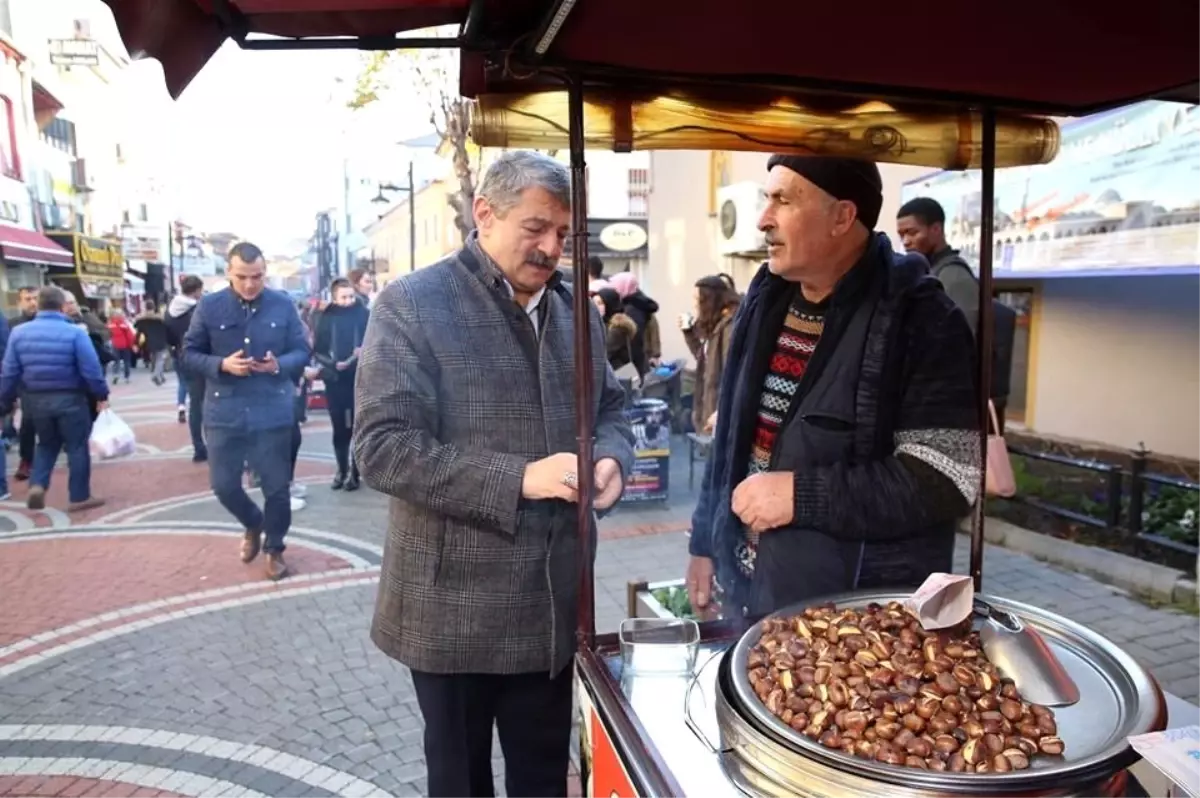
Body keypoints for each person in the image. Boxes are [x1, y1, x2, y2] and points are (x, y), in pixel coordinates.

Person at [355, 149, 634, 798]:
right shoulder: (413, 305)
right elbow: (382, 447)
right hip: (452, 606)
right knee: (459, 781)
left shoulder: (576, 310)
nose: (551, 248)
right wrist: (519, 479)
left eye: (563, 234)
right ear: (484, 213)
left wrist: (613, 456)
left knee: (543, 775)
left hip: (553, 598)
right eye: (536, 228)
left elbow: (612, 407)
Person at [686, 155, 980, 618]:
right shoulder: (763, 300)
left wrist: (802, 497)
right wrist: (704, 541)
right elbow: (730, 441)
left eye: (782, 200)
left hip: (853, 623)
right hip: (750, 593)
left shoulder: (921, 316)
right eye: (767, 199)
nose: (764, 220)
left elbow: (948, 476)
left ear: (842, 216)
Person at [183, 242, 310, 581]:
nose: (251, 284)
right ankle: (253, 523)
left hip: (273, 411)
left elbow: (302, 351)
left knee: (277, 488)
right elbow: (189, 353)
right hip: (225, 411)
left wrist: (277, 365)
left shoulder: (282, 304)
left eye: (257, 277)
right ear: (229, 273)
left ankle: (275, 549)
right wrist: (221, 364)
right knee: (223, 485)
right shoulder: (209, 307)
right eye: (242, 277)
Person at [896, 197, 1018, 432]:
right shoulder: (931, 273)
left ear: (936, 229)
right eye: (902, 235)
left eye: (912, 232)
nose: (906, 241)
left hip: (950, 407)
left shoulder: (953, 277)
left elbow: (959, 347)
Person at [0, 286, 109, 512]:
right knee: (77, 446)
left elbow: (10, 371)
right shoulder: (76, 333)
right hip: (70, 398)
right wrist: (101, 393)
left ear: (38, 305)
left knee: (46, 444)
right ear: (62, 307)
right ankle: (79, 496)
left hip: (35, 400)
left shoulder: (19, 333)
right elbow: (91, 369)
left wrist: (6, 398)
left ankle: (38, 484)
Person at [313, 277, 369, 490]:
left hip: (359, 377)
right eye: (343, 297)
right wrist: (333, 363)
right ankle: (341, 469)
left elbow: (376, 340)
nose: (348, 301)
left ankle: (355, 472)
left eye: (351, 296)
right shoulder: (325, 317)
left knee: (357, 425)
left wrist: (363, 351)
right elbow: (318, 349)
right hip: (335, 379)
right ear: (334, 298)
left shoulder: (364, 314)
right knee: (339, 427)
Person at [682, 274, 741, 435]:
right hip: (711, 410)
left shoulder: (729, 326)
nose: (695, 305)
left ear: (709, 300)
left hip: (720, 414)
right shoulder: (716, 325)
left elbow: (733, 372)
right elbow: (706, 361)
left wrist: (721, 410)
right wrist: (689, 333)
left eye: (698, 299)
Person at [165, 275, 208, 461]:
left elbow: (167, 337)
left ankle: (198, 446)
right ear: (197, 290)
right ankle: (209, 445)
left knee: (194, 403)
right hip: (198, 358)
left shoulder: (170, 310)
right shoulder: (198, 309)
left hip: (180, 357)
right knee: (204, 403)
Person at [9, 286, 38, 481]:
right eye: (27, 298)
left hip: (49, 381)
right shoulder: (11, 325)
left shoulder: (49, 321)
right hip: (24, 383)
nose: (32, 302)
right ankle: (26, 460)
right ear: (20, 302)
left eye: (36, 298)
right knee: (27, 423)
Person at [608, 272, 662, 375]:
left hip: (636, 366)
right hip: (641, 362)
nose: (614, 292)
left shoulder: (632, 310)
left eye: (616, 288)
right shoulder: (640, 304)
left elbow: (634, 341)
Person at [592, 287, 637, 372]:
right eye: (593, 302)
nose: (595, 306)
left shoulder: (617, 328)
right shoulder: (600, 323)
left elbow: (604, 353)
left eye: (600, 303)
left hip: (616, 374)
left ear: (609, 304)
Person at [134, 301, 170, 385]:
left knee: (154, 358)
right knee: (160, 359)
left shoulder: (141, 320)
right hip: (161, 340)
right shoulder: (160, 319)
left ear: (145, 307)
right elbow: (167, 329)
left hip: (148, 342)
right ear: (154, 307)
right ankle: (156, 375)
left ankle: (161, 377)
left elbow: (138, 332)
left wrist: (136, 344)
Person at [106, 310, 137, 383]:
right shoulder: (125, 325)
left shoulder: (110, 325)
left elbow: (108, 334)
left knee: (116, 361)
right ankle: (127, 377)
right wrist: (132, 345)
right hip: (125, 345)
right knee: (127, 361)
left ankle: (115, 375)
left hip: (115, 344)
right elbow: (130, 336)